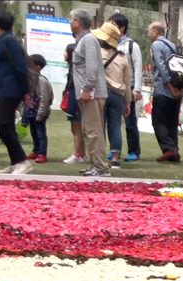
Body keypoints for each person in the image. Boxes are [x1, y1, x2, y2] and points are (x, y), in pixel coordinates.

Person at [0, 9, 32, 174]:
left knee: (3, 124)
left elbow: (21, 67)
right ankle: (15, 161)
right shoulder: (3, 40)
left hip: (11, 88)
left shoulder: (9, 41)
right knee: (5, 125)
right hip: (4, 88)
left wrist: (25, 92)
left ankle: (22, 160)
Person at [69, 8, 108, 176]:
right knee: (88, 130)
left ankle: (101, 167)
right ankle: (94, 165)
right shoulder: (83, 39)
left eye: (70, 20)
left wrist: (86, 89)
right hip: (87, 94)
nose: (69, 23)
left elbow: (92, 68)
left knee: (94, 131)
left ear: (77, 21)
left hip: (92, 94)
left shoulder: (89, 40)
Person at [96, 21, 130, 169]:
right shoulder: (122, 58)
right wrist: (128, 103)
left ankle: (100, 157)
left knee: (99, 126)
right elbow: (127, 83)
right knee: (115, 126)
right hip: (118, 95)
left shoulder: (97, 54)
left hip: (101, 93)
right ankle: (115, 158)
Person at [147, 21, 180, 162]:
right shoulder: (172, 45)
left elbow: (161, 67)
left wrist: (170, 86)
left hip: (163, 89)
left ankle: (169, 148)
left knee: (158, 120)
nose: (148, 34)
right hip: (177, 90)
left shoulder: (156, 45)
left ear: (155, 31)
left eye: (149, 31)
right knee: (171, 122)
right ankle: (174, 149)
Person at [111, 12, 141, 161]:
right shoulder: (109, 43)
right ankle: (114, 149)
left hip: (128, 87)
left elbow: (138, 67)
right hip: (113, 87)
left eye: (114, 24)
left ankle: (134, 150)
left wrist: (137, 89)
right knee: (113, 121)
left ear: (122, 28)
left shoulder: (131, 45)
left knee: (130, 122)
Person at [60, 41, 86, 163]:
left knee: (76, 128)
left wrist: (72, 106)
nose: (64, 54)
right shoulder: (74, 68)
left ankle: (77, 154)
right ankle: (82, 153)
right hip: (75, 100)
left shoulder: (75, 70)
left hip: (75, 101)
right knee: (78, 128)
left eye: (66, 51)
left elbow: (74, 87)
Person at [27, 54, 51, 162]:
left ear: (38, 67)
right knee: (33, 132)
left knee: (40, 133)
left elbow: (44, 99)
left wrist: (41, 114)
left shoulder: (42, 81)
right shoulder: (32, 79)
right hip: (31, 112)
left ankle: (42, 153)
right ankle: (35, 150)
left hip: (39, 112)